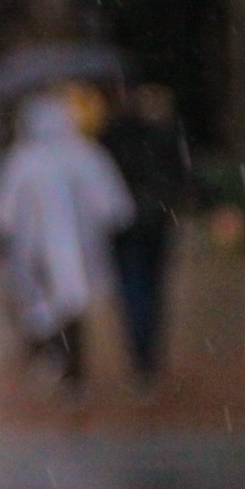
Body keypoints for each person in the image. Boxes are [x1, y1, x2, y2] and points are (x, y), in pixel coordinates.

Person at [0, 94, 135, 390]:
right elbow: (112, 206)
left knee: (48, 302)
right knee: (67, 305)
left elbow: (0, 212)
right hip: (70, 250)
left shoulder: (23, 159)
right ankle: (69, 364)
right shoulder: (85, 155)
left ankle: (59, 361)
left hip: (37, 250)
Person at [100, 84, 190, 384]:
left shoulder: (110, 138)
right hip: (155, 220)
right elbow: (181, 174)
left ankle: (141, 354)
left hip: (126, 223)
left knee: (133, 287)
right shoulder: (161, 133)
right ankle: (148, 353)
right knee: (153, 286)